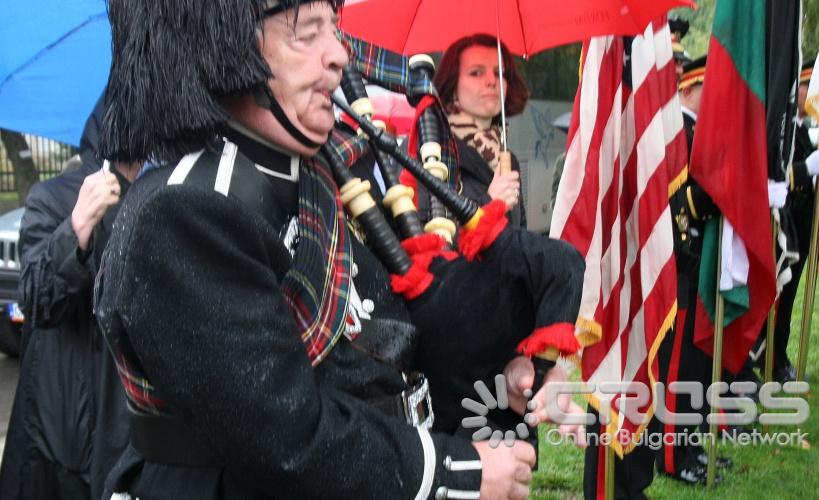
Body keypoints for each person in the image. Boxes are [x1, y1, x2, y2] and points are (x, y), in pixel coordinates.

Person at [94, 1, 545, 498]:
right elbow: (286, 435)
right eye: (306, 34)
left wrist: (495, 372)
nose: (340, 55)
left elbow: (384, 346)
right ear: (220, 49)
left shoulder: (314, 177)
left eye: (334, 29)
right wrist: (458, 471)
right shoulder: (184, 211)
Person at [0, 94, 136, 500]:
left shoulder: (159, 194)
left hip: (125, 422)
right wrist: (77, 226)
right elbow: (37, 299)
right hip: (60, 430)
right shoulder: (56, 198)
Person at [654, 56, 730, 485]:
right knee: (679, 367)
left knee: (698, 360)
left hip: (700, 258)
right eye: (708, 89)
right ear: (688, 89)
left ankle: (690, 442)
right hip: (680, 260)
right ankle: (672, 454)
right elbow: (679, 202)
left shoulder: (698, 132)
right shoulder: (676, 132)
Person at [760, 59, 819, 383]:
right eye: (806, 87)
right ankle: (769, 361)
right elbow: (772, 176)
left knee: (789, 300)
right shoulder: (781, 126)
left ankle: (780, 355)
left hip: (802, 224)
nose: (810, 94)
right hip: (781, 223)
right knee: (777, 297)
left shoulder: (807, 128)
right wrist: (805, 171)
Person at [434, 34, 528, 228]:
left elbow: (520, 234)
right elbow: (423, 239)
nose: (491, 81)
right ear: (452, 86)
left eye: (499, 72)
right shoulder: (432, 149)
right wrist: (489, 204)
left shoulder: (508, 159)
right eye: (476, 73)